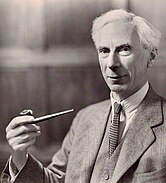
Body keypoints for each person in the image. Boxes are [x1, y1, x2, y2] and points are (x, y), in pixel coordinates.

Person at [1, 9, 166, 183]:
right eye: (104, 51)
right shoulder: (85, 118)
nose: (111, 63)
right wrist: (20, 155)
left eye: (124, 49)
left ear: (152, 55)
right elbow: (56, 180)